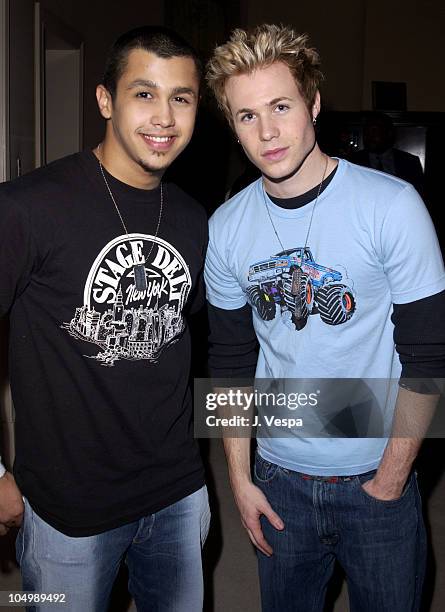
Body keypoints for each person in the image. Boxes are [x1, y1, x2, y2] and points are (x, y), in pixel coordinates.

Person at [205, 24, 445, 612]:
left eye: (281, 106)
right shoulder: (226, 227)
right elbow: (230, 363)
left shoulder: (392, 205)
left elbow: (429, 356)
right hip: (278, 476)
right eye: (246, 116)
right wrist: (240, 479)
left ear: (313, 103)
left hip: (377, 477)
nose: (267, 131)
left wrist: (390, 479)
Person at [0, 26, 210, 611]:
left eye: (182, 98)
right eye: (144, 94)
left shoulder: (197, 220)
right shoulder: (26, 207)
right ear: (105, 100)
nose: (164, 117)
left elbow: (194, 346)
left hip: (178, 492)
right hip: (70, 508)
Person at [350, 111, 425, 195]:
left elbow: (418, 194)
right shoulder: (352, 162)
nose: (369, 136)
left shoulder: (409, 162)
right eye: (366, 132)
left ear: (388, 133)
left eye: (374, 131)